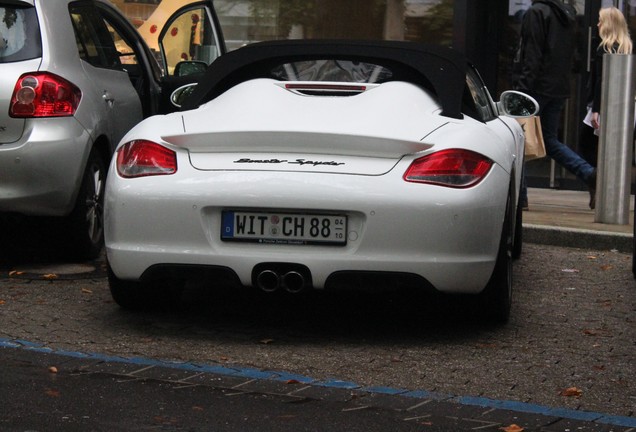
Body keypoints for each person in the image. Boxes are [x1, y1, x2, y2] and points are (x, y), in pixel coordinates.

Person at [513, 0, 597, 210]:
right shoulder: (567, 15)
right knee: (548, 141)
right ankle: (589, 174)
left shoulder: (536, 13)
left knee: (518, 140)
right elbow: (573, 57)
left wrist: (523, 91)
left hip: (536, 88)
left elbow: (532, 54)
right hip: (558, 88)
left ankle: (520, 198)